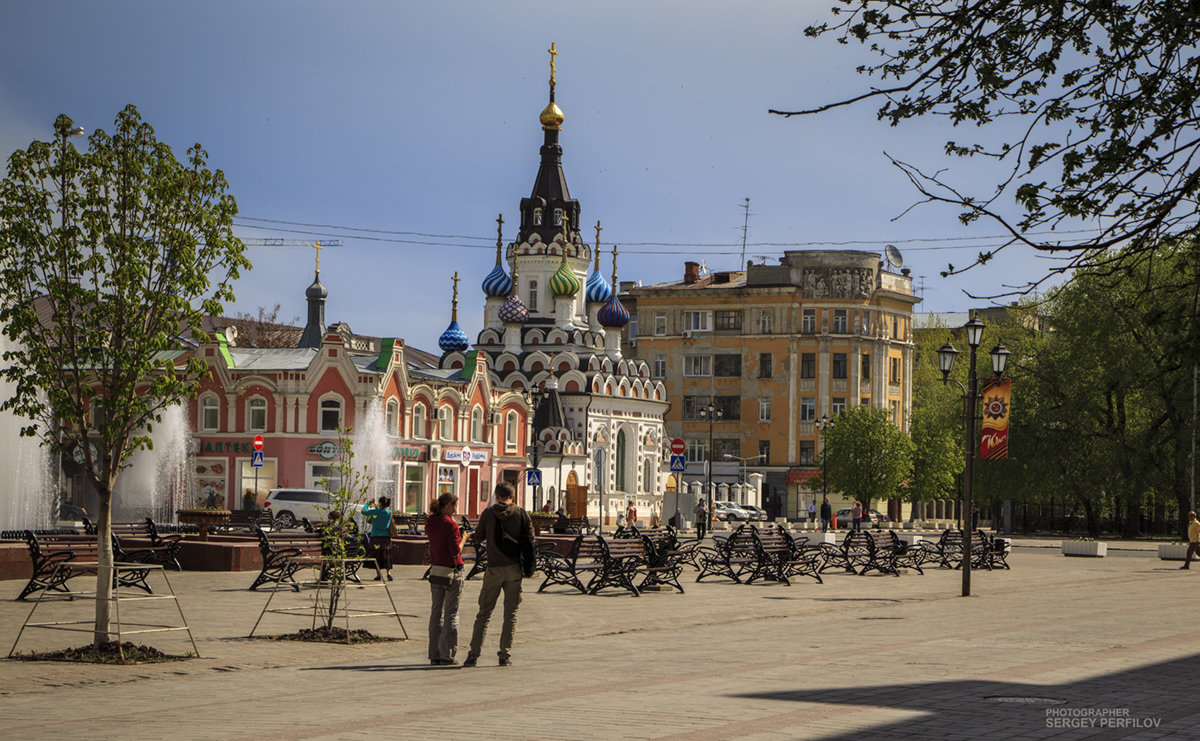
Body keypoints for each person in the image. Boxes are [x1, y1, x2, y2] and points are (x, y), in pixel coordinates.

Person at [464, 482, 533, 667]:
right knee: (511, 613)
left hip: (494, 568)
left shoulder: (488, 513)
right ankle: (504, 654)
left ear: (497, 496)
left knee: (484, 613)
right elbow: (530, 539)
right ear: (513, 496)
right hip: (514, 570)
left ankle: (473, 654)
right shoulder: (521, 514)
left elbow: (478, 537)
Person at [426, 493, 464, 665]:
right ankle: (447, 654)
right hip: (452, 571)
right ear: (448, 506)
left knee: (436, 613)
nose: (455, 510)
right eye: (454, 506)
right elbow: (455, 551)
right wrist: (464, 539)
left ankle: (434, 654)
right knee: (451, 613)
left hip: (436, 571)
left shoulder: (431, 522)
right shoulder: (451, 525)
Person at [362, 496, 393, 581]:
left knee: (377, 555)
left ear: (380, 503)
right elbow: (382, 511)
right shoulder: (389, 512)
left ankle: (378, 575)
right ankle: (388, 574)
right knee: (386, 555)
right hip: (386, 536)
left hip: (375, 536)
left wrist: (369, 503)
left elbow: (363, 511)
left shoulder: (374, 512)